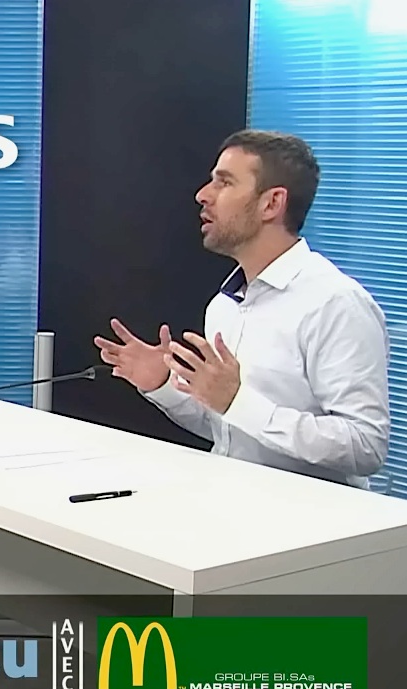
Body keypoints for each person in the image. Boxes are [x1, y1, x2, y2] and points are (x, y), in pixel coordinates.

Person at [96, 128, 389, 489]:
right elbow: (231, 430)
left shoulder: (335, 303)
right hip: (228, 501)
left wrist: (239, 402)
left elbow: (365, 446)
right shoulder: (225, 305)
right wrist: (163, 385)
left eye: (224, 182)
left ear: (271, 203)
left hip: (306, 517)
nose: (203, 195)